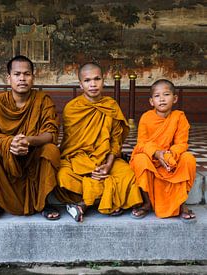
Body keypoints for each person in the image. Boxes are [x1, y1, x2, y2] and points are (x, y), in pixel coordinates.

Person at [56, 62, 143, 222]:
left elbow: (116, 142)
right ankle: (109, 199)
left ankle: (85, 203)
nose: (93, 84)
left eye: (97, 79)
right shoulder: (72, 108)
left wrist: (108, 165)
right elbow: (71, 146)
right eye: (88, 80)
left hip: (107, 159)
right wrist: (90, 169)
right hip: (79, 161)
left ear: (103, 80)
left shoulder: (111, 106)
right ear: (81, 84)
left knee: (128, 174)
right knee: (63, 176)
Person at [0, 55, 60, 222]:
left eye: (27, 74)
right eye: (17, 74)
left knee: (51, 150)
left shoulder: (43, 101)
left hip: (33, 154)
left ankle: (43, 201)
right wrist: (10, 143)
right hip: (6, 154)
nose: (22, 78)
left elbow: (51, 134)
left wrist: (28, 141)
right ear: (9, 78)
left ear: (33, 77)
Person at [130, 79, 196, 222]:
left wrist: (168, 156)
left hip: (171, 159)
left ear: (175, 98)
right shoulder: (146, 118)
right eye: (157, 96)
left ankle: (181, 204)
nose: (161, 99)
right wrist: (157, 153)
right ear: (151, 101)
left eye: (166, 94)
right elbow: (141, 143)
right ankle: (147, 203)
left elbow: (181, 143)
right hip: (152, 159)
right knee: (140, 159)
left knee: (188, 159)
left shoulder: (179, 117)